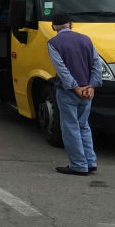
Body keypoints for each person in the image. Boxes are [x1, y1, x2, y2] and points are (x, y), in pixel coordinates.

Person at [47, 12, 103, 176]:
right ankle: (90, 161)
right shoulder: (86, 39)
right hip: (88, 92)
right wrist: (91, 86)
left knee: (70, 127)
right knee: (84, 125)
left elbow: (61, 70)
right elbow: (96, 65)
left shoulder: (53, 43)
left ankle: (78, 164)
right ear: (70, 24)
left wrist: (75, 87)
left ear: (53, 27)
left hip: (68, 92)